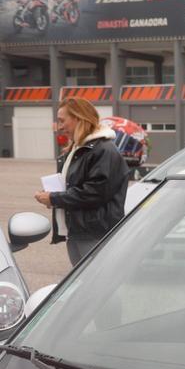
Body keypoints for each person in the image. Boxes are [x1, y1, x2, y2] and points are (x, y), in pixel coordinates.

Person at [33, 98, 128, 266]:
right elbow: (74, 187)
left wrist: (55, 198)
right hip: (78, 232)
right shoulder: (78, 150)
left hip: (95, 234)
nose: (59, 127)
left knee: (96, 286)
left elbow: (95, 193)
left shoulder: (103, 150)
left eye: (62, 121)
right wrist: (52, 196)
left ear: (79, 118)